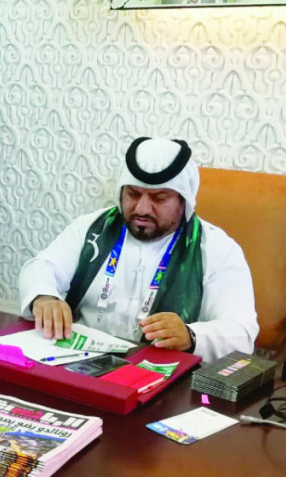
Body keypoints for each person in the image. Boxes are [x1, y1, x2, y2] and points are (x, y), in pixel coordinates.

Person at [18, 137, 258, 362]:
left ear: (183, 200)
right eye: (133, 194)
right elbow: (42, 267)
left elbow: (242, 331)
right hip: (80, 361)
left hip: (164, 374)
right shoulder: (92, 228)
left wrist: (191, 336)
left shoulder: (215, 249)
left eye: (159, 198)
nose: (142, 209)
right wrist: (44, 296)